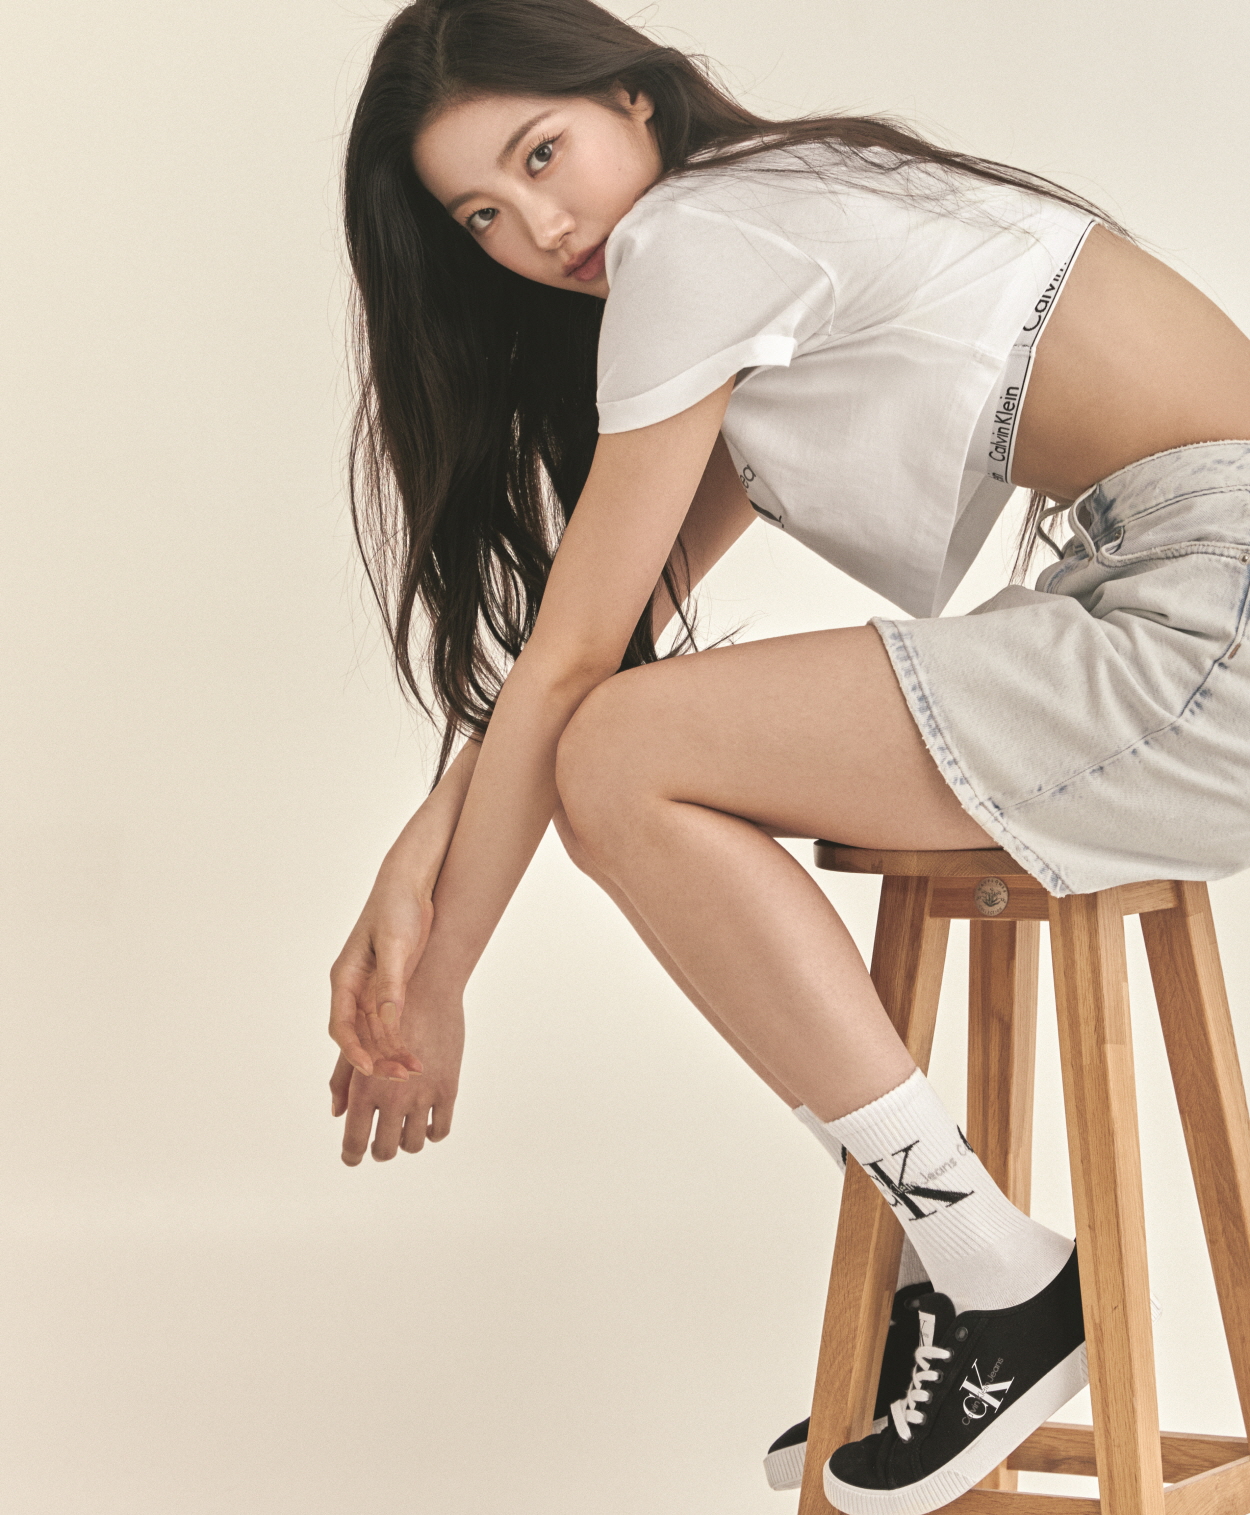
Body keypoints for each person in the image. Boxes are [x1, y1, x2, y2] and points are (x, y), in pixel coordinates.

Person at [326, 2, 1250, 1509]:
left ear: (632, 99)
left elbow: (578, 673)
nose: (537, 228)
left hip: (1213, 618)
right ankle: (974, 1262)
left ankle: (997, 1277)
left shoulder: (693, 241)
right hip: (1177, 599)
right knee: (617, 742)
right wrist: (419, 851)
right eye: (481, 214)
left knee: (623, 758)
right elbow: (605, 635)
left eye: (542, 155)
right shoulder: (775, 214)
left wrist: (437, 977)